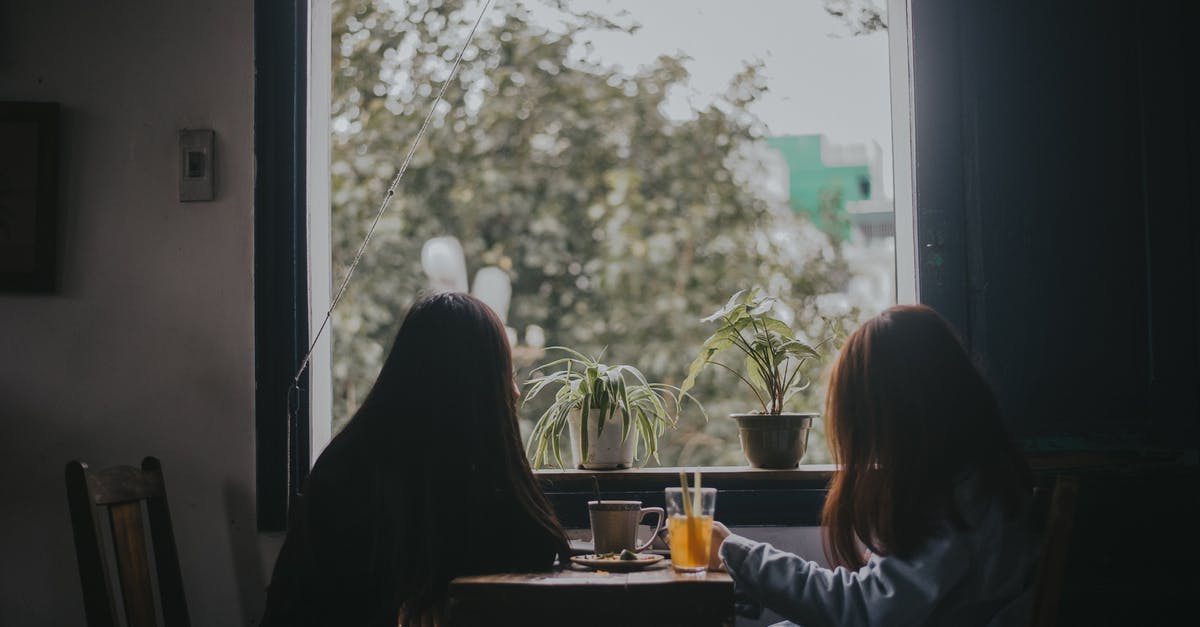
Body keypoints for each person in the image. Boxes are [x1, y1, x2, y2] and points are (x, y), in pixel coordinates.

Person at [710, 304, 1038, 627]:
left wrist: (737, 554)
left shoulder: (954, 499)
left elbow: (863, 611)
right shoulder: (973, 478)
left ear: (897, 411)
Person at [261, 292, 569, 627]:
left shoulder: (367, 455)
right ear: (468, 385)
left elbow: (534, 547)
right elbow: (533, 546)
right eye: (503, 374)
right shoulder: (358, 476)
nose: (515, 391)